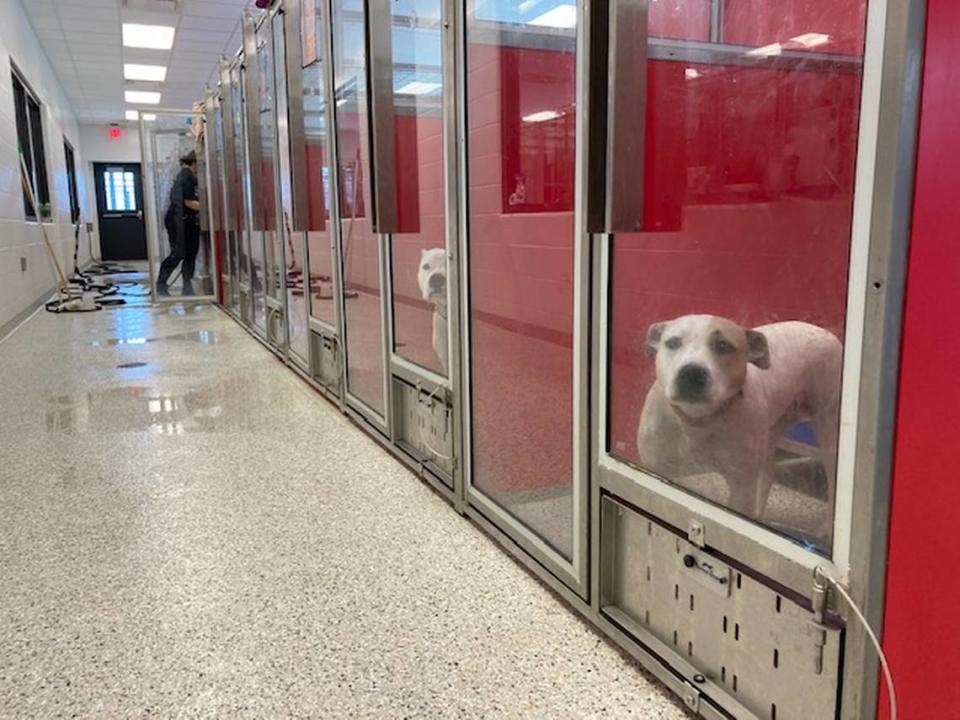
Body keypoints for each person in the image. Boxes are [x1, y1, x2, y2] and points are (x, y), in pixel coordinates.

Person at [157, 150, 201, 296]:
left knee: (191, 253)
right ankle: (161, 285)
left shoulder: (192, 177)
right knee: (178, 252)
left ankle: (187, 286)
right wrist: (209, 208)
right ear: (194, 163)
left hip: (187, 221)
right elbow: (188, 202)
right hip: (178, 221)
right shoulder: (186, 177)